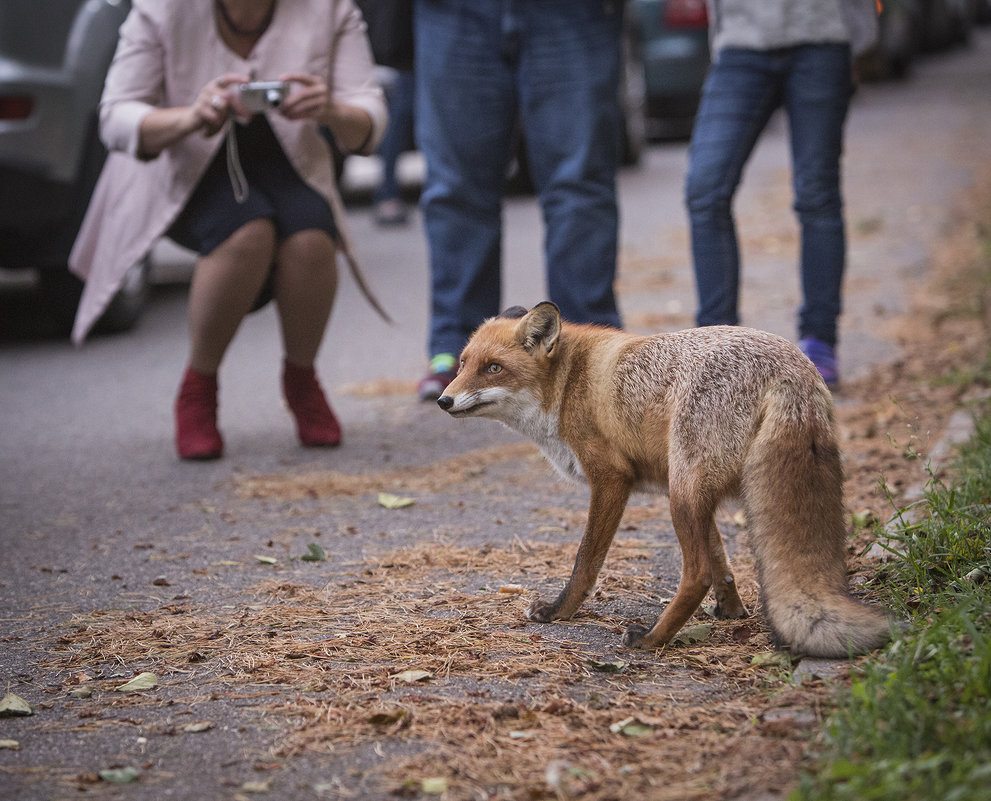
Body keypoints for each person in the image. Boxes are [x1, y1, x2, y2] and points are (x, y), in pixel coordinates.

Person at [69, 0, 388, 460]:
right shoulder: (161, 10)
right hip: (186, 166)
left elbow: (370, 117)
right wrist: (192, 115)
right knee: (245, 231)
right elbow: (115, 118)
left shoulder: (329, 9)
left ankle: (301, 379)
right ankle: (198, 387)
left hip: (287, 160)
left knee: (313, 238)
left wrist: (331, 110)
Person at [413, 0, 625, 400]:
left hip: (571, 11)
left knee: (579, 186)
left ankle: (590, 351)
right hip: (452, 10)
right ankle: (457, 352)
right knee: (455, 187)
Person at [684, 0, 879, 389]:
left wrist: (858, 34)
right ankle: (716, 348)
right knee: (705, 190)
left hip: (822, 34)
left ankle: (820, 340)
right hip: (741, 41)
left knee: (817, 194)